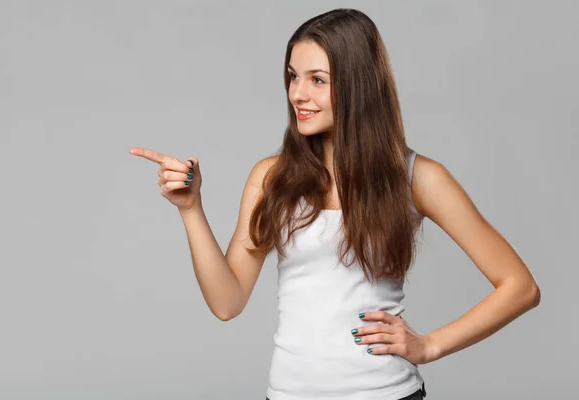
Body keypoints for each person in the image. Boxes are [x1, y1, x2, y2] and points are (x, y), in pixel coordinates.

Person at [129, 8, 540, 400]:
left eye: (318, 80)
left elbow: (520, 287)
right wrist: (190, 208)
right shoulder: (271, 176)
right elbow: (227, 302)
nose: (298, 94)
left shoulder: (418, 177)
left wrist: (429, 346)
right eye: (293, 76)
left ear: (358, 84)